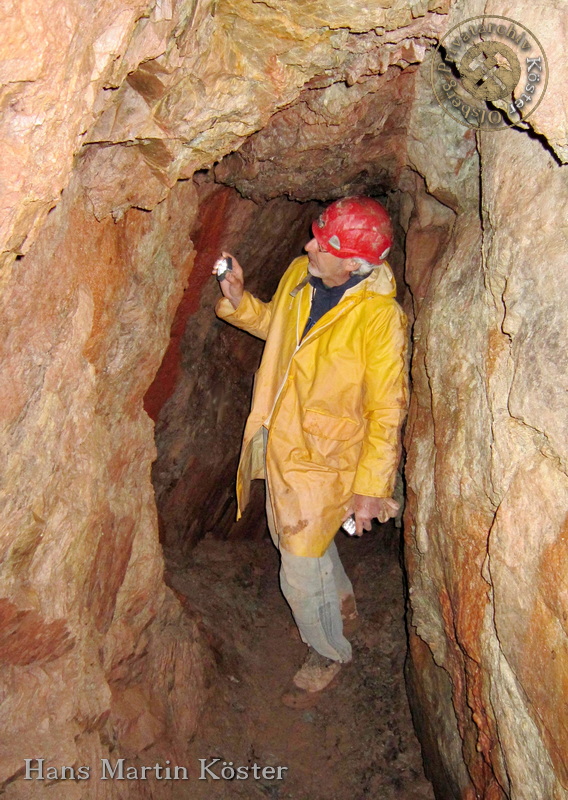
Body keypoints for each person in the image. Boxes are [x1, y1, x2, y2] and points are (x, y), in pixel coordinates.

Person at [213, 196, 408, 705]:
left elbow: (387, 409)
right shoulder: (302, 273)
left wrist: (371, 489)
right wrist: (239, 301)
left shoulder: (379, 319)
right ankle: (341, 600)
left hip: (327, 457)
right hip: (280, 437)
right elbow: (278, 329)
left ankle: (328, 651)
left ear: (354, 263)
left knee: (297, 563)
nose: (307, 246)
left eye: (323, 244)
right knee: (298, 539)